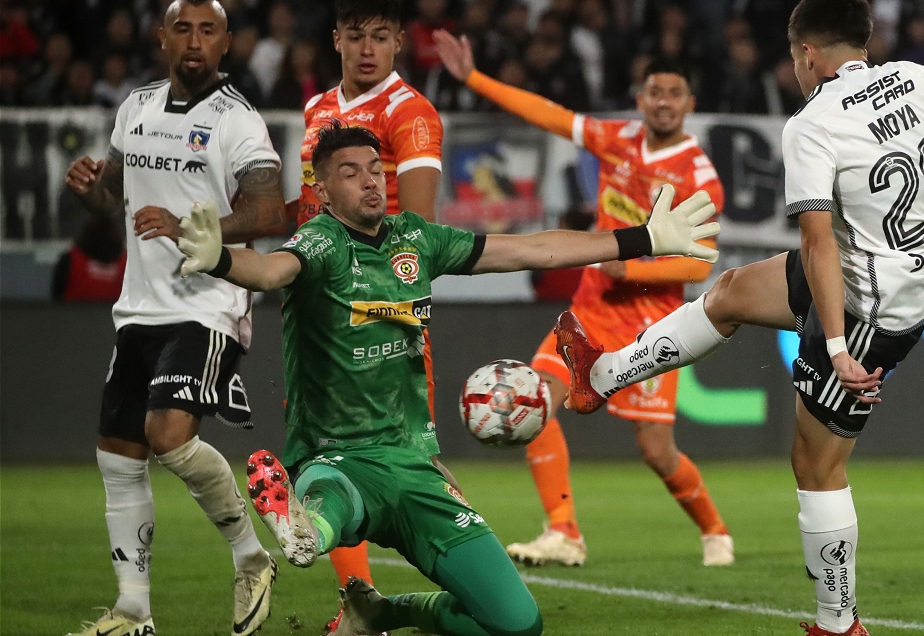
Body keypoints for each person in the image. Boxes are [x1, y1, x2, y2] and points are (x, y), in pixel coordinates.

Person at [550, 1, 924, 634]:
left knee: (816, 466)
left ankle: (839, 620)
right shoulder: (923, 79)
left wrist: (834, 345)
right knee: (732, 291)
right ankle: (600, 377)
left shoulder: (812, 122)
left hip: (867, 307)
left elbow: (819, 242)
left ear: (807, 55)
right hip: (895, 272)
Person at [172, 121, 720, 636]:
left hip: (414, 465)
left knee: (518, 623)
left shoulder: (416, 239)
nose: (369, 180)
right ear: (322, 190)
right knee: (330, 506)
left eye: (374, 169)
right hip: (337, 456)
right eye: (350, 172)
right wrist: (221, 259)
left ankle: (380, 611)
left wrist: (642, 238)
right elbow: (270, 271)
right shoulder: (322, 244)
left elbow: (533, 248)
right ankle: (303, 528)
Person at [434, 29, 735, 567]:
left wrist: (636, 264)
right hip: (591, 310)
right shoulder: (615, 138)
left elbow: (700, 261)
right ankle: (564, 531)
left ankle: (714, 528)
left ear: (690, 104)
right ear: (640, 98)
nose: (663, 102)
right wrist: (475, 79)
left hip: (654, 323)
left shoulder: (700, 175)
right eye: (654, 91)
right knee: (535, 399)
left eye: (674, 93)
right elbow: (549, 115)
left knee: (656, 451)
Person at [62, 1, 289, 634]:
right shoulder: (134, 107)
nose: (195, 41)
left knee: (166, 433)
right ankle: (134, 610)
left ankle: (251, 557)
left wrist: (196, 225)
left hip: (207, 303)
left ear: (227, 43)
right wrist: (92, 195)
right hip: (139, 308)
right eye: (182, 29)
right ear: (162, 38)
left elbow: (270, 214)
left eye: (208, 30)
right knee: (118, 454)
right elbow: (114, 194)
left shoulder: (237, 121)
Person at [286, 2, 453, 629]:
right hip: (315, 310)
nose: (366, 49)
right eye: (355, 36)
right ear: (335, 40)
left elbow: (415, 230)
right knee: (329, 455)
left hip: (377, 314)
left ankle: (471, 566)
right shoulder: (316, 110)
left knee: (411, 459)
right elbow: (309, 208)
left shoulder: (409, 113)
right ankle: (358, 602)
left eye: (380, 37)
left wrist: (377, 304)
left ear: (399, 44)